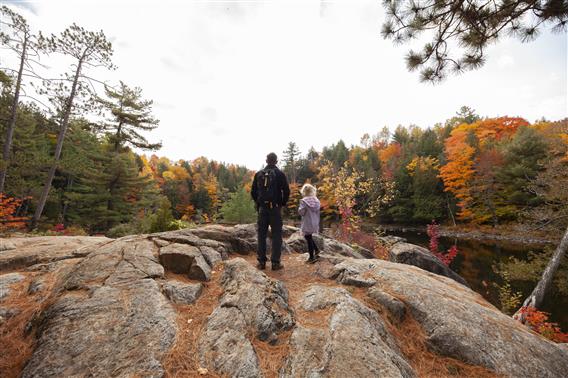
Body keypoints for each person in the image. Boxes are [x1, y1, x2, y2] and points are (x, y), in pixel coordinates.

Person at [251, 152, 290, 270]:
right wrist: (282, 204)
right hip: (275, 209)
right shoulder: (280, 174)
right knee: (277, 235)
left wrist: (258, 204)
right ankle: (275, 263)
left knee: (261, 235)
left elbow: (253, 192)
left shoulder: (258, 174)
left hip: (262, 209)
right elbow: (287, 191)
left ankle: (261, 262)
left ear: (266, 161)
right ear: (276, 161)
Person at [298, 183, 321, 263]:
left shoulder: (304, 201)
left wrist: (300, 210)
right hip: (315, 221)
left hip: (307, 221)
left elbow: (301, 212)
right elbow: (318, 210)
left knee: (308, 237)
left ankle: (312, 257)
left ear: (303, 192)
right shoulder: (316, 200)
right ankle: (317, 250)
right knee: (309, 237)